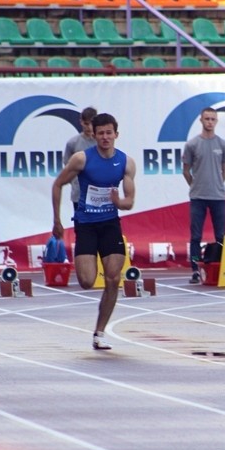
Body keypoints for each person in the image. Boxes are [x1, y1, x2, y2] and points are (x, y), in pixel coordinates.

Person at [52, 113, 135, 350]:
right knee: (87, 281)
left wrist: (119, 202)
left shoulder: (126, 162)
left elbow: (130, 201)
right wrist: (57, 220)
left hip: (110, 224)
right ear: (94, 135)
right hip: (86, 224)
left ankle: (100, 332)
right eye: (101, 133)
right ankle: (98, 328)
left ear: (116, 135)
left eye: (109, 133)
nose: (105, 137)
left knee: (113, 278)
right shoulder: (81, 159)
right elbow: (58, 184)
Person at [182, 107, 225, 284]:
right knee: (195, 236)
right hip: (198, 197)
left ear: (216, 121)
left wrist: (218, 182)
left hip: (218, 196)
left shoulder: (222, 145)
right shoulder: (192, 144)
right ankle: (195, 270)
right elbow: (186, 170)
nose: (210, 122)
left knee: (220, 235)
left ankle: (219, 268)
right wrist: (195, 185)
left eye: (213, 119)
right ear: (201, 121)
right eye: (207, 119)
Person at [63, 106, 97, 212]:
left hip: (99, 195)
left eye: (91, 123)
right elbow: (68, 167)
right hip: (79, 194)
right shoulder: (72, 143)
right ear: (81, 122)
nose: (89, 127)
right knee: (81, 227)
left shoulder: (102, 142)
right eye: (86, 123)